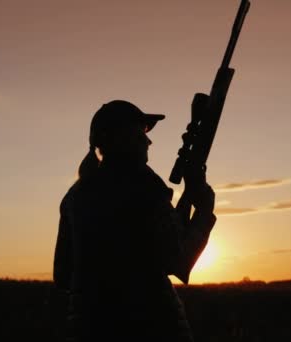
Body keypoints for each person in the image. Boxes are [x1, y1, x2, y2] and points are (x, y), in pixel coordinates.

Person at [53, 100, 216, 342]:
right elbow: (177, 260)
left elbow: (63, 275)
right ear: (124, 138)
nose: (148, 141)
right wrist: (204, 211)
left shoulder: (75, 196)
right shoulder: (145, 186)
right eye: (142, 132)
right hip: (152, 328)